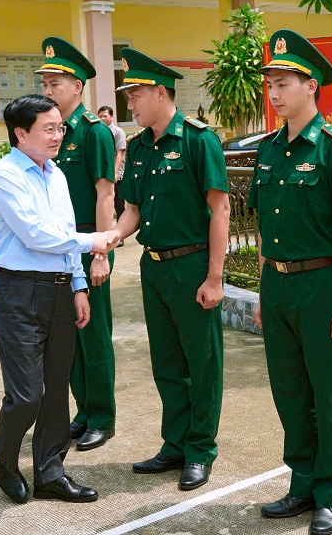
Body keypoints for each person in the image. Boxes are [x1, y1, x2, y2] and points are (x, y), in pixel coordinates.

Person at [247, 30, 332, 535]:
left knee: (329, 395)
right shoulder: (271, 148)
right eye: (270, 83)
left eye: (283, 82)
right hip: (278, 288)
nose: (273, 93)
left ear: (310, 85)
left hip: (322, 285)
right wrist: (262, 290)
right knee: (290, 391)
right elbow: (264, 230)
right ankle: (302, 481)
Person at [0, 94, 119, 504]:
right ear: (20, 133)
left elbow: (61, 232)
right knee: (27, 394)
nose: (58, 135)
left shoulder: (55, 174)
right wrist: (93, 241)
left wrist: (78, 284)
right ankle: (4, 457)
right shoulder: (5, 175)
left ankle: (50, 472)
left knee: (57, 387)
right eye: (48, 128)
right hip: (19, 292)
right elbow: (36, 235)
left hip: (60, 289)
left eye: (60, 127)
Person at [112, 47, 230, 491]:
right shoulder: (139, 147)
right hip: (154, 268)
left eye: (135, 93)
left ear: (160, 92)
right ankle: (175, 444)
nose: (130, 102)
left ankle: (200, 450)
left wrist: (215, 277)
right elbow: (132, 211)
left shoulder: (199, 141)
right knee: (167, 362)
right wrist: (110, 238)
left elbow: (219, 210)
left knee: (202, 363)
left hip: (193, 265)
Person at [35, 37, 118, 452]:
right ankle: (82, 412)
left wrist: (101, 253)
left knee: (94, 334)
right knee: (67, 334)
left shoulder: (94, 133)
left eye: (56, 83)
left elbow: (105, 195)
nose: (48, 91)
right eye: (46, 84)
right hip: (61, 244)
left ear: (78, 87)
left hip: (90, 242)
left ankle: (102, 416)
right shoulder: (52, 134)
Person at [98, 105, 127, 218]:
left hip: (116, 173)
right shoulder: (99, 131)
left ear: (112, 117)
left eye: (105, 116)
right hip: (104, 172)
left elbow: (120, 153)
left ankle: (122, 228)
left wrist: (114, 172)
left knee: (118, 202)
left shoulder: (118, 132)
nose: (102, 119)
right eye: (100, 116)